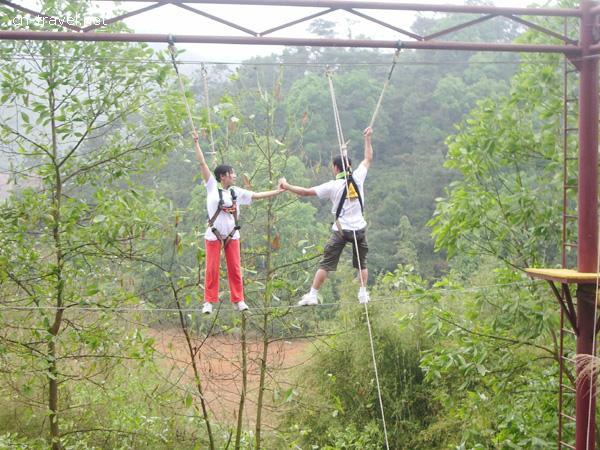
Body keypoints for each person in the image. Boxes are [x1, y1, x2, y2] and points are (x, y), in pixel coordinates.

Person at [278, 126, 373, 306]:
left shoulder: (332, 186)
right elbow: (368, 158)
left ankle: (313, 295)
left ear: (336, 168)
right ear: (350, 166)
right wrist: (368, 139)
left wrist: (287, 185)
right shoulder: (359, 177)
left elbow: (306, 192)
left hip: (341, 231)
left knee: (326, 264)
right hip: (359, 229)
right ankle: (363, 293)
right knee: (362, 263)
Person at [192, 131, 283, 314]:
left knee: (234, 268)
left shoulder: (236, 192)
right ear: (222, 176)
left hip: (232, 234)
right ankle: (209, 301)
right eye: (231, 173)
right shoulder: (211, 188)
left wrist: (278, 191)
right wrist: (196, 144)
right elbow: (202, 164)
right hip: (214, 234)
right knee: (212, 269)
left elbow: (256, 195)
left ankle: (239, 299)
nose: (234, 176)